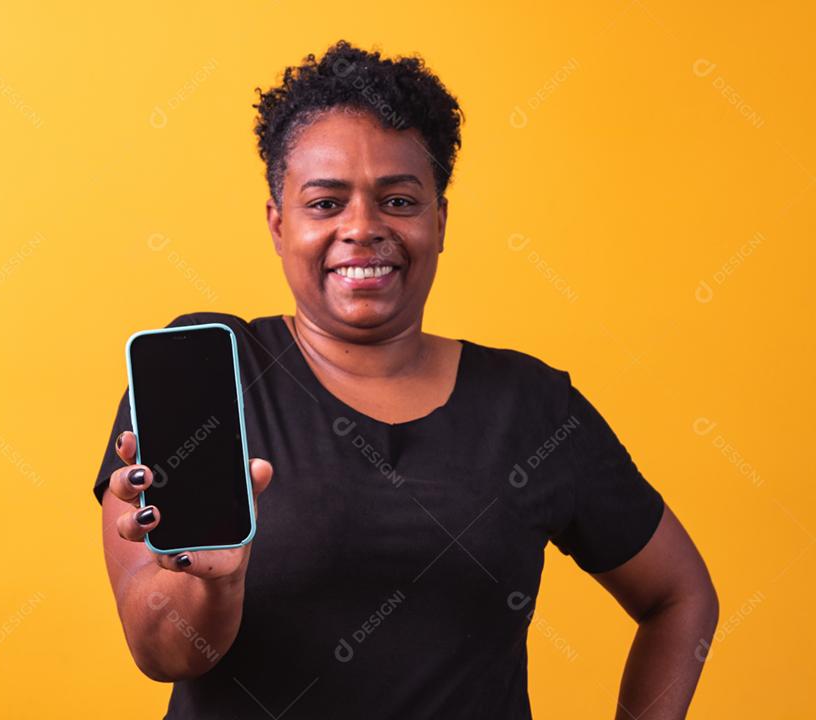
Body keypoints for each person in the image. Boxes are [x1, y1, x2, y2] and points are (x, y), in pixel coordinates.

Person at [93, 39, 718, 719]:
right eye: (326, 204)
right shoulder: (209, 377)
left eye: (397, 199)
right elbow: (163, 656)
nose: (363, 228)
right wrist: (215, 588)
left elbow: (679, 596)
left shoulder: (532, 408)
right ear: (279, 224)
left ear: (439, 221)